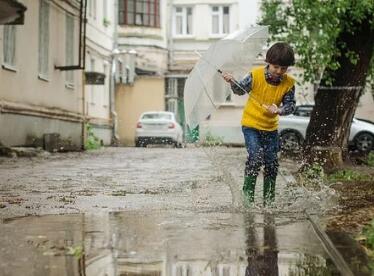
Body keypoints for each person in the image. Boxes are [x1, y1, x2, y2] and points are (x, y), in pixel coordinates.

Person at [223, 42, 296, 206]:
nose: (279, 71)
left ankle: (268, 202)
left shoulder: (289, 83)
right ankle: (247, 200)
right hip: (251, 125)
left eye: (283, 68)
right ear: (268, 62)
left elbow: (291, 106)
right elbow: (239, 90)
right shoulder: (255, 75)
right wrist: (232, 81)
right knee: (255, 157)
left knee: (271, 162)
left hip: (270, 128)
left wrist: (279, 110)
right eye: (276, 67)